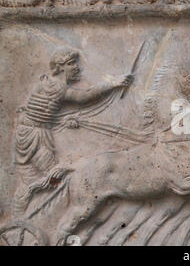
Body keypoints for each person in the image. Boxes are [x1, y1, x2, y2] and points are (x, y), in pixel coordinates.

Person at [14, 48, 133, 215]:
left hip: (35, 132)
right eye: (71, 64)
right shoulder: (57, 87)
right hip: (34, 137)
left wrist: (61, 120)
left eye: (75, 63)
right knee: (56, 175)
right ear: (60, 67)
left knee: (46, 177)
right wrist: (113, 83)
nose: (77, 67)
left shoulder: (46, 84)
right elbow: (83, 97)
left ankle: (27, 207)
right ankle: (25, 212)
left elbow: (35, 110)